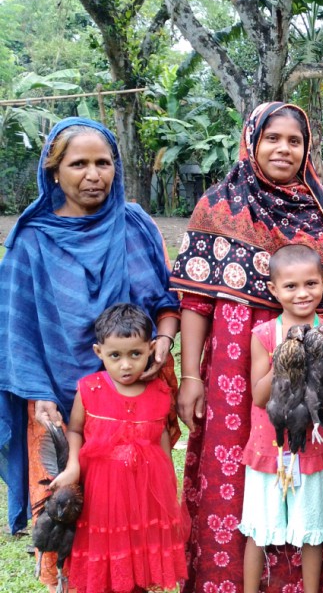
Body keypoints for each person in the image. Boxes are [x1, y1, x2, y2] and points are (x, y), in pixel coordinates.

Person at [171, 102, 323, 593]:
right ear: (251, 141)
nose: (283, 149)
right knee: (238, 474)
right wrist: (189, 377)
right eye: (272, 139)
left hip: (311, 367)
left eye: (294, 141)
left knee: (308, 476)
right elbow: (196, 300)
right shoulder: (219, 205)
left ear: (307, 147)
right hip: (234, 369)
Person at [0, 118, 180, 589]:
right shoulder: (31, 239)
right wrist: (40, 397)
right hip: (57, 406)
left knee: (132, 521)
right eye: (78, 164)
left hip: (132, 397)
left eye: (104, 162)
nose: (94, 174)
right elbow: (17, 331)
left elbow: (164, 302)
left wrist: (162, 340)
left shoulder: (133, 225)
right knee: (69, 523)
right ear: (53, 171)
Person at [50, 303, 187, 593]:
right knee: (105, 569)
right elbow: (75, 430)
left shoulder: (160, 393)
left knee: (141, 562)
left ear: (151, 349)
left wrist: (167, 493)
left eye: (135, 354)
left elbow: (161, 444)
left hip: (146, 498)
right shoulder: (90, 389)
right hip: (102, 498)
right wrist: (73, 465)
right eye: (115, 355)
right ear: (99, 352)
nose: (126, 365)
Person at [241, 244, 323, 593]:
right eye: (291, 286)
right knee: (259, 528)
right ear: (274, 290)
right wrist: (284, 359)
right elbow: (258, 395)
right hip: (270, 446)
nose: (302, 294)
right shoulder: (263, 335)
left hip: (314, 447)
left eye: (311, 284)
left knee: (312, 527)